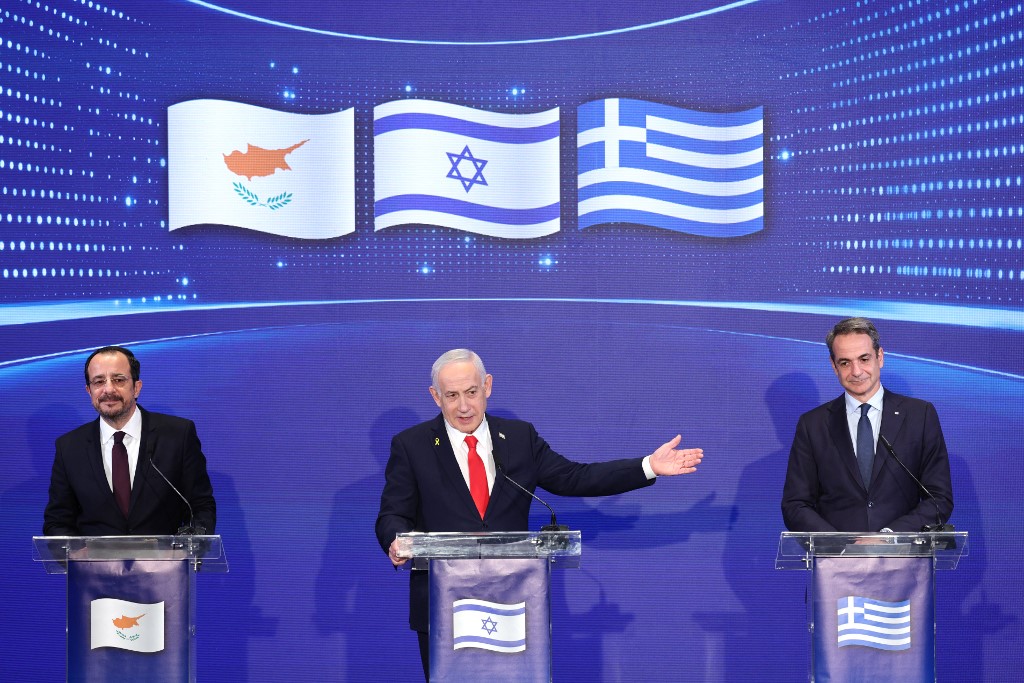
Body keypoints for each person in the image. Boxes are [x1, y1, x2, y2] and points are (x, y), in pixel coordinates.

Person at [375, 348, 704, 677]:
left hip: (513, 603)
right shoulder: (412, 445)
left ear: (487, 386)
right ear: (435, 397)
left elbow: (576, 477)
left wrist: (647, 466)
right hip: (444, 605)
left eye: (472, 392)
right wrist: (395, 539)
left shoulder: (519, 439)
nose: (464, 406)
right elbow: (393, 514)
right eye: (452, 395)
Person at [781, 317, 953, 533]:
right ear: (833, 366)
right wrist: (839, 545)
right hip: (837, 561)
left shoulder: (920, 416)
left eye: (864, 359)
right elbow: (795, 505)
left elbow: (939, 498)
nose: (856, 371)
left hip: (904, 557)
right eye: (845, 362)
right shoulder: (813, 425)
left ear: (880, 357)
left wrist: (888, 537)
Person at [43, 345, 216, 536]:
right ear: (89, 391)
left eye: (118, 380)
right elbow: (57, 521)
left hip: (165, 563)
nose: (108, 389)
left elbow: (200, 506)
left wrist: (192, 543)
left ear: (136, 387)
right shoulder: (69, 448)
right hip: (95, 565)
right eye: (98, 382)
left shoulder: (178, 435)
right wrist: (78, 555)